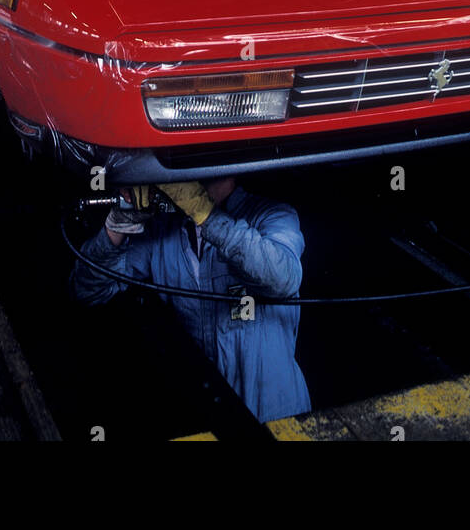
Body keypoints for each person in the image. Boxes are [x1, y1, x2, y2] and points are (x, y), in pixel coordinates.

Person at [70, 177, 311, 424]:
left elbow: (282, 279)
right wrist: (118, 226)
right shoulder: (162, 234)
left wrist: (205, 213)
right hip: (213, 420)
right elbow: (88, 291)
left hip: (282, 417)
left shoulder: (271, 214)